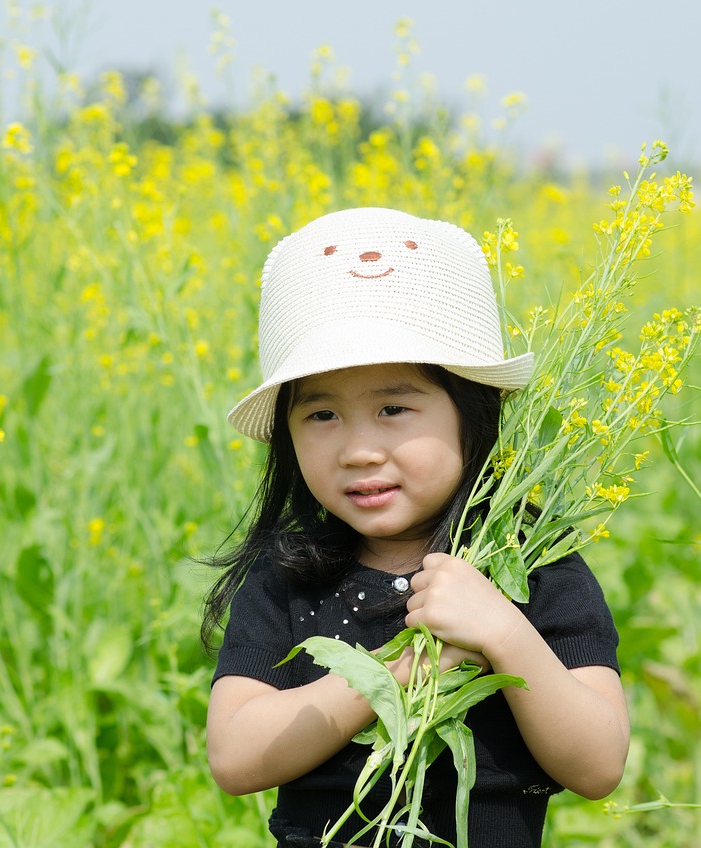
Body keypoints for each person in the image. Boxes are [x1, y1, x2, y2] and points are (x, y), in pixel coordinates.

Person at [203, 207, 628, 848]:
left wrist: (503, 633)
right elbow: (235, 757)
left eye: (394, 407)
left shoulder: (530, 562)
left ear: (472, 411)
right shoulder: (289, 575)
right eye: (321, 415)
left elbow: (598, 764)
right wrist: (393, 672)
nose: (359, 450)